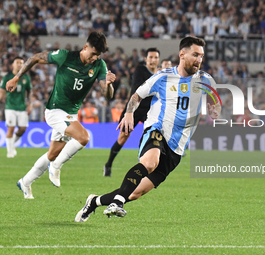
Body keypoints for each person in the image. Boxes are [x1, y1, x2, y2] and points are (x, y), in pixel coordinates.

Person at [75, 36, 221, 222]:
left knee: (135, 193)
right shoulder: (163, 77)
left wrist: (215, 110)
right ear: (182, 54)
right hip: (157, 129)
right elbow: (137, 95)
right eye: (195, 55)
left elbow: (216, 104)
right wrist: (129, 113)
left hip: (177, 146)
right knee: (150, 162)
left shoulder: (206, 80)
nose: (199, 60)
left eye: (201, 55)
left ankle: (94, 202)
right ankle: (118, 202)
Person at [6, 32, 116, 199]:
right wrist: (16, 77)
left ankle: (25, 182)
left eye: (98, 55)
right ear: (85, 47)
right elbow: (36, 57)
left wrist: (108, 84)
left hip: (71, 114)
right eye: (93, 53)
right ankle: (56, 166)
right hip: (55, 111)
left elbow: (107, 95)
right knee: (84, 137)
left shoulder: (100, 65)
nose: (95, 58)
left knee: (52, 153)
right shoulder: (65, 56)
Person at [103, 48, 160, 177]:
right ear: (146, 59)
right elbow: (137, 88)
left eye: (155, 57)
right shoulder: (140, 70)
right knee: (122, 138)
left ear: (158, 59)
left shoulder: (160, 74)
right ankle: (108, 164)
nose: (153, 60)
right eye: (150, 57)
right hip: (134, 109)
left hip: (150, 111)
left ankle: (146, 166)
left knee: (152, 136)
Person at [0, 57, 32, 158]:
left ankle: (11, 144)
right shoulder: (7, 77)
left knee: (22, 129)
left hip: (22, 107)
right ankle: (10, 152)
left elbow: (29, 92)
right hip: (10, 107)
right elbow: (2, 91)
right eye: (17, 62)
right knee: (11, 128)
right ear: (13, 64)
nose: (19, 64)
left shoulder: (26, 78)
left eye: (21, 63)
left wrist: (30, 104)